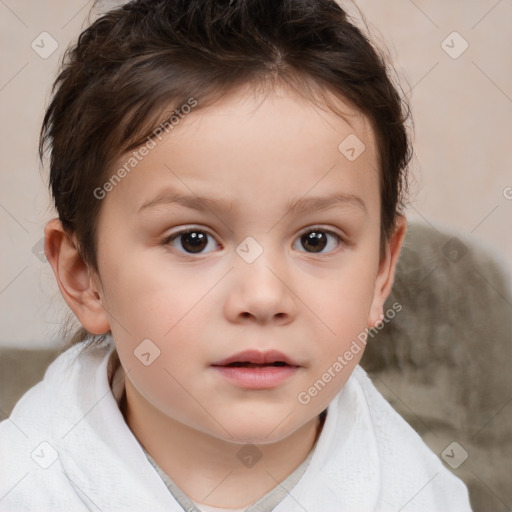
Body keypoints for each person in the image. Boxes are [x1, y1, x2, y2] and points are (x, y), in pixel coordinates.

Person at [0, 0, 472, 510]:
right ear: (83, 276)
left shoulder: (422, 494)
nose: (264, 297)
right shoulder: (23, 484)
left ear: (382, 272)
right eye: (193, 240)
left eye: (316, 239)